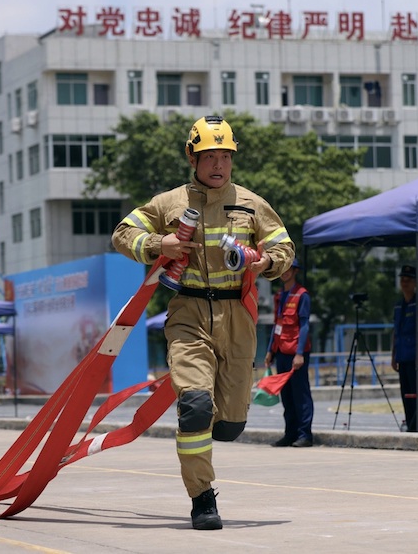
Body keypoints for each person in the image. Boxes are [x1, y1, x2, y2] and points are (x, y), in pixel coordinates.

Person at [111, 115, 295, 531]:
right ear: (192, 158)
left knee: (228, 425)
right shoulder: (169, 203)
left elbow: (284, 245)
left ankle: (224, 423)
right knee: (194, 407)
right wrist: (162, 243)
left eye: (224, 156)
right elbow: (122, 234)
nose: (218, 164)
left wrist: (267, 261)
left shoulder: (252, 204)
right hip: (188, 314)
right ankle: (202, 498)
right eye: (209, 156)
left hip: (238, 318)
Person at [264, 258, 314, 448]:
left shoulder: (302, 295)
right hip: (281, 352)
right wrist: (270, 351)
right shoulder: (279, 296)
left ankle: (305, 435)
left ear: (295, 271)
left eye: (289, 268)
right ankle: (290, 434)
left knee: (301, 394)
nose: (285, 272)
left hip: (296, 354)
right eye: (282, 268)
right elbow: (277, 325)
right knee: (287, 396)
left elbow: (304, 326)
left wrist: (299, 353)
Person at [390, 265, 418, 432]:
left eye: (408, 280)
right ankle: (411, 425)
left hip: (416, 356)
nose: (404, 283)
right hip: (402, 355)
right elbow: (396, 332)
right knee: (406, 395)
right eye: (402, 280)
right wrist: (393, 356)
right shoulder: (399, 305)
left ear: (415, 283)